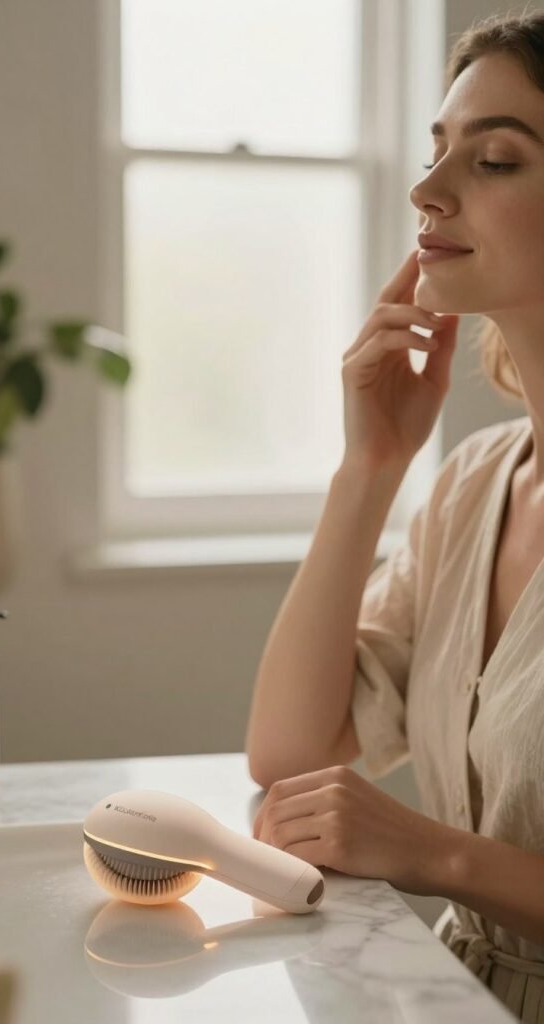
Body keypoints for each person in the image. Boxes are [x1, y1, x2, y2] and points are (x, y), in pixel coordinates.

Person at [245, 9, 544, 1022]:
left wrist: (438, 852)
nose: (427, 190)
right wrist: (368, 469)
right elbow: (290, 757)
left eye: (496, 158)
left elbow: (408, 841)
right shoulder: (473, 483)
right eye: (437, 150)